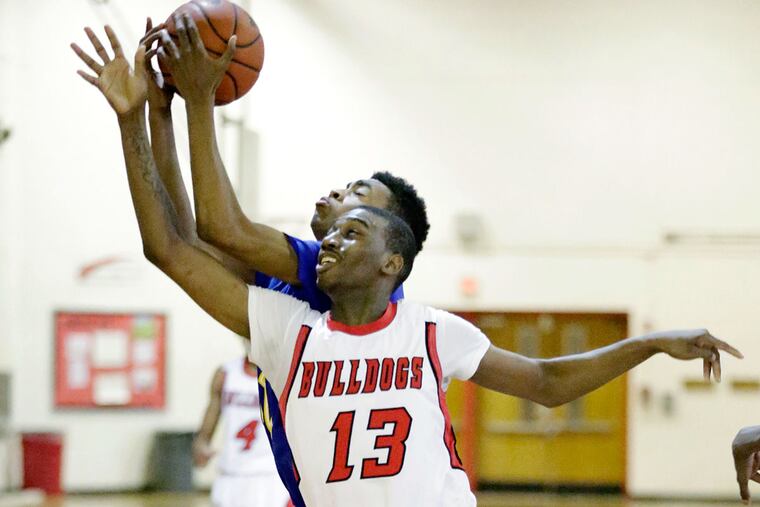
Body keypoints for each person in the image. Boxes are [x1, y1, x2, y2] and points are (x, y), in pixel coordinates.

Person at [72, 27, 743, 507]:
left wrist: (650, 342)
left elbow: (545, 379)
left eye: (358, 214)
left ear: (394, 258)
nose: (335, 226)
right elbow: (176, 244)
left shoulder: (417, 324)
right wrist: (142, 118)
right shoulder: (289, 319)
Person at [73, 16, 429, 506]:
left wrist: (199, 99)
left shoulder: (346, 286)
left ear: (388, 245)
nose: (337, 192)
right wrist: (149, 116)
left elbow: (219, 228)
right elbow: (180, 243)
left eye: (356, 194)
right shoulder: (295, 293)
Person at [194, 355, 290, 507]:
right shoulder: (225, 373)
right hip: (231, 473)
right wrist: (202, 443)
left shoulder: (282, 373)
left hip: (269, 476)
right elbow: (211, 412)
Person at [733, 426, 760, 504]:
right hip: (740, 447)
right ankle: (745, 498)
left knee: (745, 477)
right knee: (743, 482)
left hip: (746, 436)